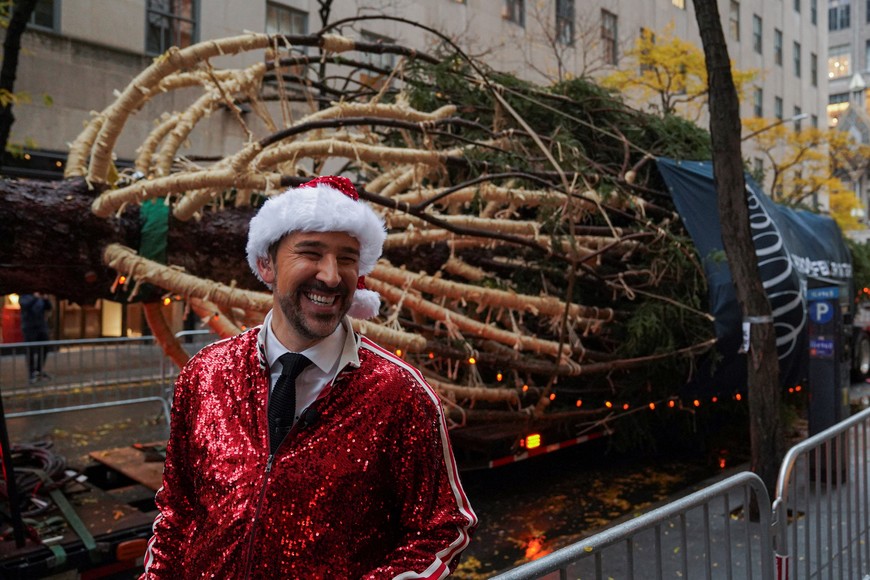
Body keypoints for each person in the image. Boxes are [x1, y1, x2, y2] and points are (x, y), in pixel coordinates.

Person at [142, 176, 477, 579]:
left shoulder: (400, 394)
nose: (332, 276)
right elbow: (177, 513)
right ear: (266, 263)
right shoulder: (205, 373)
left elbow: (443, 530)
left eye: (347, 258)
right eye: (311, 253)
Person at [19, 293, 52, 383]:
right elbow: (25, 305)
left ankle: (39, 370)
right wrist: (35, 297)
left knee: (44, 348)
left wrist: (46, 299)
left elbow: (49, 307)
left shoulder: (40, 298)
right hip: (29, 327)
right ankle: (31, 373)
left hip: (41, 327)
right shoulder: (25, 296)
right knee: (30, 351)